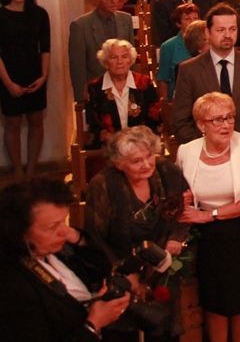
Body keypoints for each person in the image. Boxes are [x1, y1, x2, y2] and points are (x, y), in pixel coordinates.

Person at [85, 127, 190, 341]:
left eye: (149, 156)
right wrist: (124, 273)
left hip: (162, 266)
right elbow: (95, 237)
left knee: (163, 329)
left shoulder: (167, 172)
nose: (146, 164)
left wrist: (176, 238)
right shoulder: (103, 185)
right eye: (136, 161)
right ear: (119, 164)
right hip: (120, 270)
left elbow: (184, 211)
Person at [176, 93, 240, 342]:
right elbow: (181, 192)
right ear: (201, 125)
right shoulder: (186, 151)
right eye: (217, 120)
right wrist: (184, 200)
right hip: (207, 237)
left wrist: (210, 215)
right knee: (214, 299)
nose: (226, 125)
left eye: (230, 118)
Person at [0, 178, 132, 340]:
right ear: (20, 232)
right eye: (53, 227)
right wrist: (93, 324)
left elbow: (101, 268)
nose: (64, 231)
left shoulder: (54, 250)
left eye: (64, 221)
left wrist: (77, 237)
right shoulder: (11, 284)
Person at [171, 4, 240, 147]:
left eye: (232, 29)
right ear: (207, 32)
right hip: (205, 153)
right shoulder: (189, 70)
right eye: (221, 30)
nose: (227, 35)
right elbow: (180, 121)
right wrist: (206, 149)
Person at [0, 0, 50, 178]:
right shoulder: (1, 15)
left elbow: (45, 48)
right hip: (8, 74)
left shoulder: (39, 14)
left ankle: (31, 170)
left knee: (36, 120)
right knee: (12, 123)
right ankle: (18, 171)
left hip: (35, 73)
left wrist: (44, 76)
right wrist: (8, 84)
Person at [84, 39, 160, 150]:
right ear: (105, 61)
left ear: (130, 60)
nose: (119, 61)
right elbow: (93, 125)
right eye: (113, 57)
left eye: (124, 56)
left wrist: (138, 142)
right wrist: (112, 140)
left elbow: (154, 119)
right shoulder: (94, 88)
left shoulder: (144, 82)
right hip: (109, 148)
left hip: (142, 145)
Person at [69, 0, 135, 101]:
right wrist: (80, 97)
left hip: (124, 86)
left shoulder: (126, 19)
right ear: (95, 0)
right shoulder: (80, 26)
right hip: (96, 90)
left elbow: (131, 57)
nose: (113, 1)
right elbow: (77, 65)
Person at [156, 3, 199, 101]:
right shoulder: (168, 46)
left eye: (195, 18)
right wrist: (166, 104)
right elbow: (163, 78)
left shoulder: (207, 43)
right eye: (187, 19)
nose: (193, 22)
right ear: (178, 24)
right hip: (178, 98)